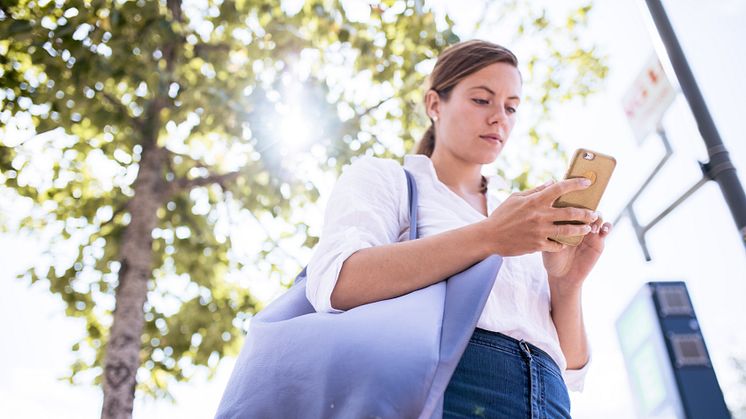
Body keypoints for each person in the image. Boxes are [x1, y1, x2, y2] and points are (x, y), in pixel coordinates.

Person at [305, 40, 612, 418]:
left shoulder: (519, 214)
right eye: (482, 100)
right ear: (435, 104)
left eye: (511, 107)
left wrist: (567, 283)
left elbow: (572, 366)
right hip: (454, 392)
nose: (500, 117)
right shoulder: (391, 180)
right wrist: (490, 236)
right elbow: (337, 283)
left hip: (549, 401)